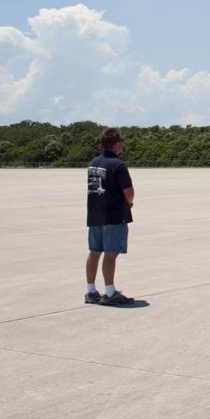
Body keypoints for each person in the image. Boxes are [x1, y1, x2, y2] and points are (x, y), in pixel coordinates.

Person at [85, 127, 135, 306]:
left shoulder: (94, 163)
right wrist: (128, 204)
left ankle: (90, 291)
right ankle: (110, 292)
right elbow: (129, 192)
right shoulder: (118, 165)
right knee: (110, 254)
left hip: (95, 215)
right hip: (113, 216)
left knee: (94, 252)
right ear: (116, 143)